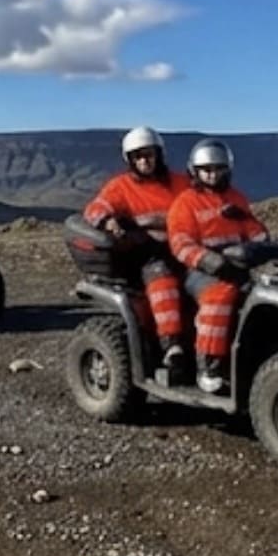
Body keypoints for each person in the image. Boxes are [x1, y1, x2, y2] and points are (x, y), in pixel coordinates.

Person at [84, 127, 191, 380]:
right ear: (129, 160)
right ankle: (171, 345)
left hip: (187, 246)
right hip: (148, 253)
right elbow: (95, 208)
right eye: (138, 156)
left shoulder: (181, 183)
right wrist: (108, 222)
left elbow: (201, 202)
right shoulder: (120, 187)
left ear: (159, 154)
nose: (144, 161)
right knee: (163, 280)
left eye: (149, 154)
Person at [168, 138, 270, 394]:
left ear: (228, 169)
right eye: (207, 169)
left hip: (238, 265)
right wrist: (209, 261)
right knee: (220, 296)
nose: (213, 174)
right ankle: (209, 366)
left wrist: (267, 244)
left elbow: (255, 231)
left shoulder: (236, 198)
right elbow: (180, 243)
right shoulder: (186, 203)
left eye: (219, 168)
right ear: (195, 171)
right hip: (200, 271)